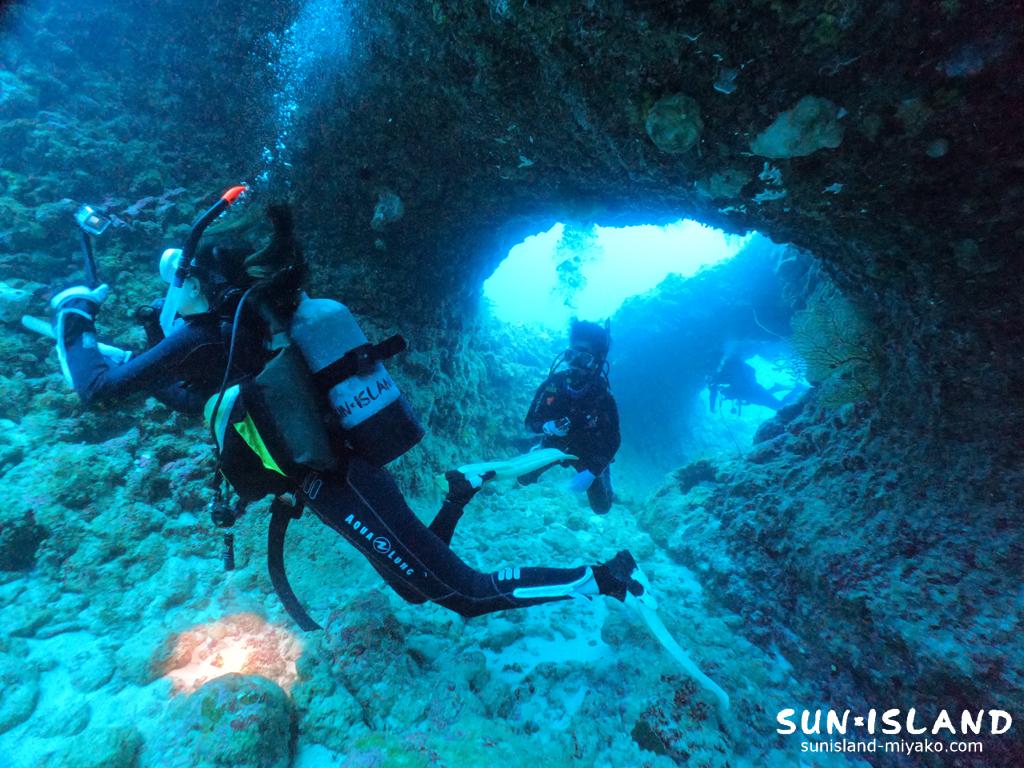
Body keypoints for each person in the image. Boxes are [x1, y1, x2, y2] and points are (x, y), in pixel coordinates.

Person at [47, 193, 651, 629]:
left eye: (178, 277)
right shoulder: (235, 333)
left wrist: (74, 314)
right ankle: (458, 493)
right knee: (421, 589)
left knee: (463, 594)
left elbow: (98, 392)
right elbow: (197, 403)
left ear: (200, 280)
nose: (170, 293)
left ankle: (600, 576)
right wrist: (139, 356)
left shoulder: (209, 335)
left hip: (340, 481)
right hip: (339, 475)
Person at [518, 319, 621, 514]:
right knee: (522, 478)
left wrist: (594, 471)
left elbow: (613, 440)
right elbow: (530, 423)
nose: (575, 364)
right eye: (571, 355)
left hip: (589, 454)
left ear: (597, 361)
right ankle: (537, 449)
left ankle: (605, 472)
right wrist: (547, 427)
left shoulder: (603, 396)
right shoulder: (554, 384)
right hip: (555, 445)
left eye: (583, 358)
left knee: (602, 507)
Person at [707, 353, 785, 414]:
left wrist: (712, 406)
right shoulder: (721, 374)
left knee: (779, 407)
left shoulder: (730, 368)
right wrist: (712, 406)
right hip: (749, 393)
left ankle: (797, 389)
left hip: (751, 392)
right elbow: (714, 391)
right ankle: (776, 388)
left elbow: (740, 384)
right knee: (768, 402)